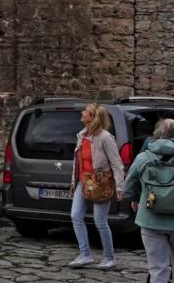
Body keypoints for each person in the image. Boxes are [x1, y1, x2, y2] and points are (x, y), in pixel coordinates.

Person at [67, 103, 125, 270]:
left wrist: (120, 187)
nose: (82, 112)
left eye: (86, 111)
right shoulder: (82, 135)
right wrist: (73, 182)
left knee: (100, 221)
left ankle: (109, 257)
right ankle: (85, 254)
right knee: (75, 216)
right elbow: (77, 163)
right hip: (83, 182)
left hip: (100, 183)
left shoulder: (106, 137)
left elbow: (117, 164)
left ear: (93, 118)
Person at [124, 118, 174, 283]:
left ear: (155, 135)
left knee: (158, 269)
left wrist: (136, 199)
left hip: (150, 219)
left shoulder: (143, 157)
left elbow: (128, 188)